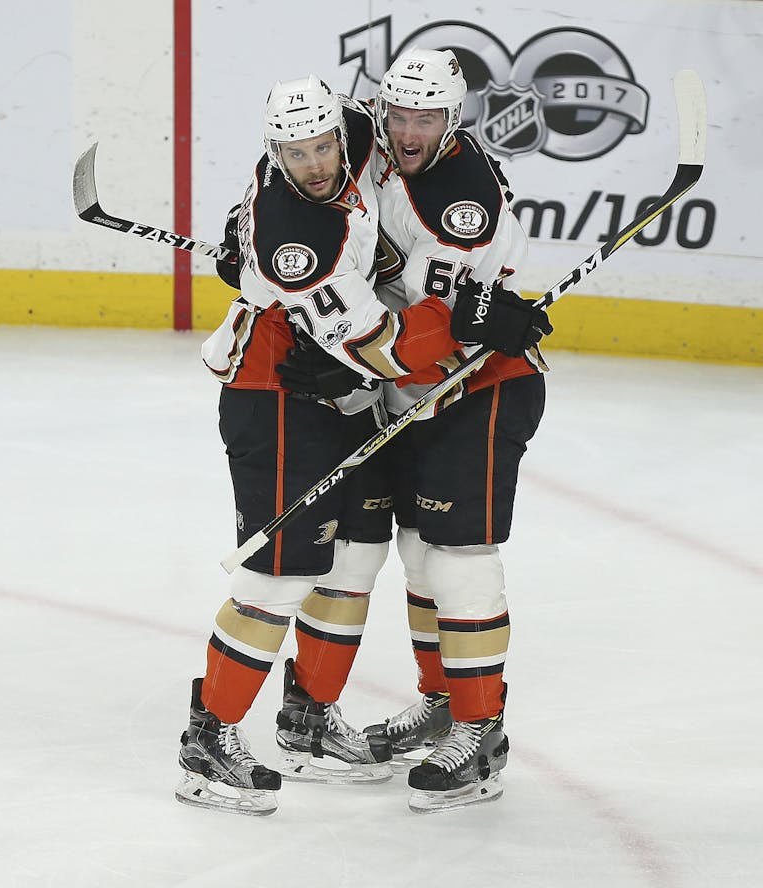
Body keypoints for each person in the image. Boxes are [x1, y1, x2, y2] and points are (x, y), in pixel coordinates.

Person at [179, 74, 544, 817]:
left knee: (378, 552)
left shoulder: (364, 139)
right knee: (284, 572)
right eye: (297, 153)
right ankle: (210, 736)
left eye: (323, 147)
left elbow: (404, 325)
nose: (316, 163)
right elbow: (376, 343)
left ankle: (336, 723)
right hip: (294, 386)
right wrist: (468, 319)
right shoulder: (304, 239)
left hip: (402, 391)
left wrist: (478, 313)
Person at [278, 48, 551, 813]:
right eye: (396, 113)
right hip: (404, 387)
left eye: (424, 117)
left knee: (459, 558)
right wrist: (259, 236)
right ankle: (440, 700)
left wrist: (356, 367)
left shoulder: (462, 199)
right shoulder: (360, 139)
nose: (405, 129)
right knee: (418, 558)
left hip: (480, 383)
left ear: (452, 116)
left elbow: (448, 329)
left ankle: (480, 730)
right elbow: (290, 158)